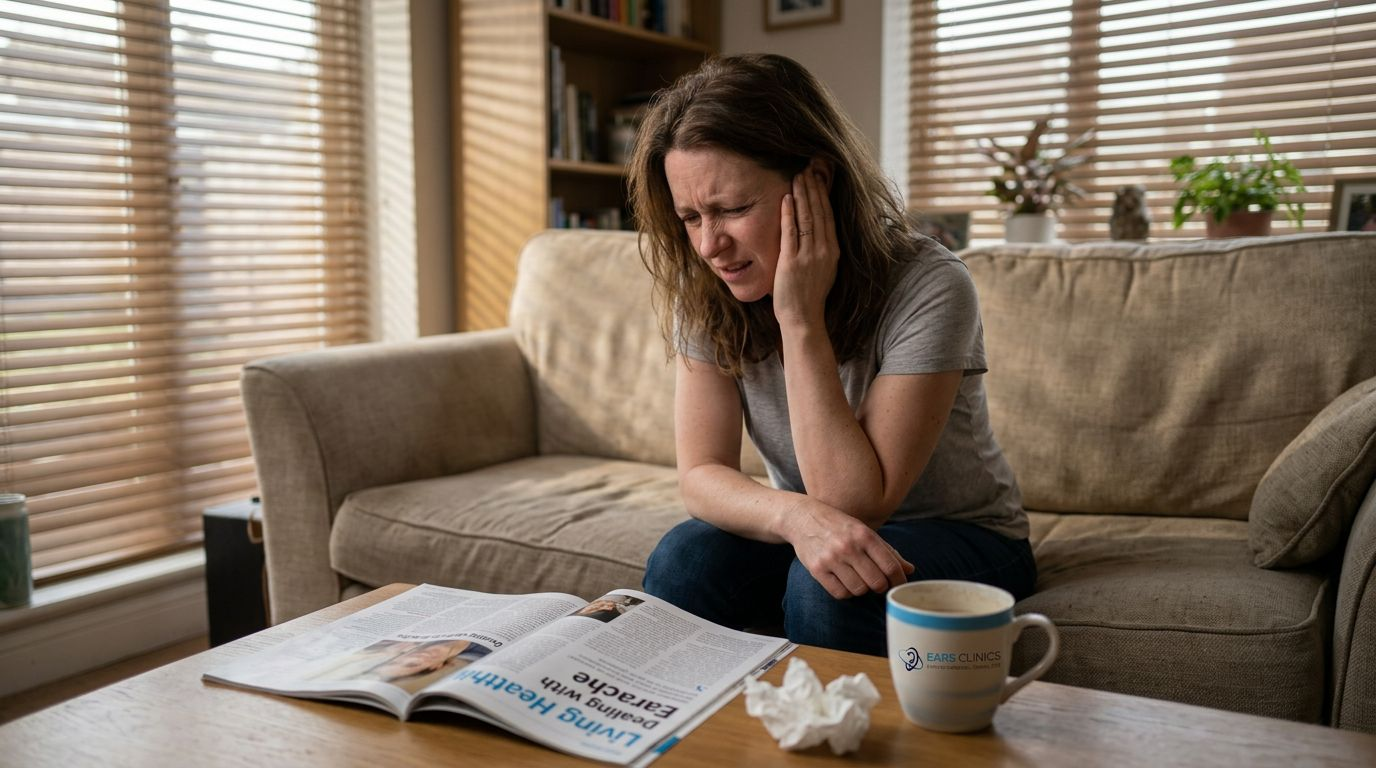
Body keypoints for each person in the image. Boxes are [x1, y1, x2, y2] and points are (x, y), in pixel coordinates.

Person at [628, 53, 1035, 657]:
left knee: (829, 590)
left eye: (734, 209)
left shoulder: (930, 283)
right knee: (685, 558)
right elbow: (701, 476)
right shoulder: (708, 289)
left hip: (964, 536)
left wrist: (798, 316)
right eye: (692, 217)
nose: (711, 244)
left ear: (814, 181)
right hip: (816, 527)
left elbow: (854, 502)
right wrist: (795, 519)